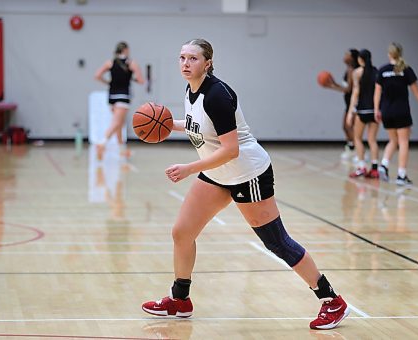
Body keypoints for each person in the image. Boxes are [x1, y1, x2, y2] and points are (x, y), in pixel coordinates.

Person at [141, 38, 350, 330]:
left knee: (276, 241)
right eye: (182, 58)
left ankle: (331, 300)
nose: (186, 64)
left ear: (208, 63)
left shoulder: (217, 95)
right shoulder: (191, 90)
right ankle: (180, 300)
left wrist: (189, 168)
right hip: (218, 172)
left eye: (193, 59)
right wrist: (166, 124)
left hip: (247, 173)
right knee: (182, 232)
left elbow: (230, 150)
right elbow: (200, 126)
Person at [374, 42, 418, 185]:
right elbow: (416, 91)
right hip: (401, 110)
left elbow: (377, 93)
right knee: (403, 142)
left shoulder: (382, 70)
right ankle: (401, 175)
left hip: (386, 111)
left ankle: (384, 165)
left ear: (389, 54)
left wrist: (376, 110)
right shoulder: (406, 69)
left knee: (393, 140)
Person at [94, 41, 145, 158]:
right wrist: (132, 78)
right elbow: (141, 80)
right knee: (117, 122)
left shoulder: (110, 62)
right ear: (126, 50)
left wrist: (108, 82)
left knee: (120, 123)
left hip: (112, 96)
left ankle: (122, 149)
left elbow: (97, 75)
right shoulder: (131, 63)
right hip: (123, 95)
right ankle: (102, 142)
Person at [346, 49, 380, 179]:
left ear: (360, 59)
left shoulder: (357, 73)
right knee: (372, 140)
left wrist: (350, 112)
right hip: (374, 109)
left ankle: (361, 167)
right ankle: (375, 168)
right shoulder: (376, 72)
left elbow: (355, 93)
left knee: (357, 138)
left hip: (362, 110)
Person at [327, 49, 360, 160]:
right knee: (346, 127)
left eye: (347, 54)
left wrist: (332, 86)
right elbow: (345, 88)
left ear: (352, 58)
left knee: (350, 127)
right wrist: (333, 84)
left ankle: (358, 151)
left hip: (353, 103)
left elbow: (348, 89)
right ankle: (351, 148)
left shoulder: (352, 70)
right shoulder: (348, 69)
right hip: (348, 102)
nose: (344, 56)